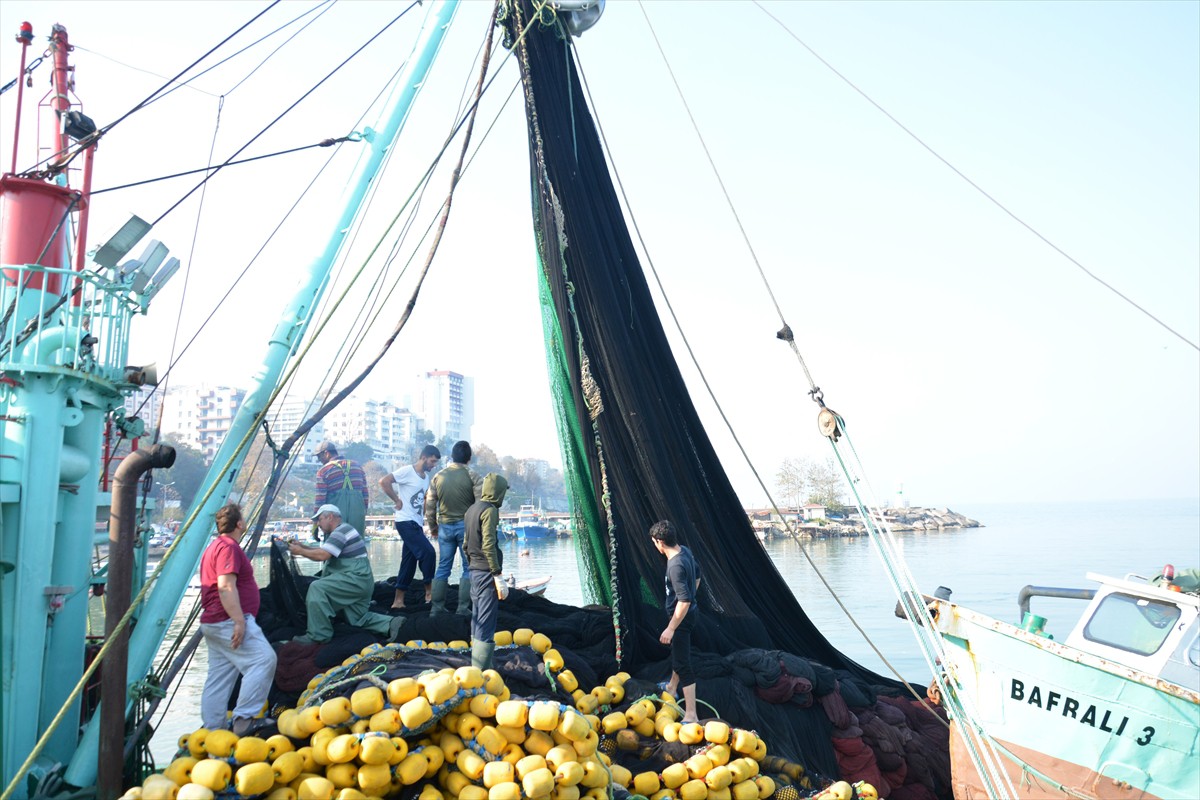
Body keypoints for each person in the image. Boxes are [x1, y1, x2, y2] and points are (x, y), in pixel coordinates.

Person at [199, 503, 277, 735]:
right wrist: (239, 621)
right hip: (227, 620)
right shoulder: (228, 547)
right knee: (264, 659)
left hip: (213, 622)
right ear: (239, 523)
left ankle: (213, 730)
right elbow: (225, 586)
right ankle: (245, 718)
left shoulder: (215, 546)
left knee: (220, 676)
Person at [287, 504, 403, 644]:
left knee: (317, 588)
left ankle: (318, 636)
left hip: (355, 579)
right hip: (360, 582)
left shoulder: (342, 531)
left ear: (330, 517)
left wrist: (300, 552)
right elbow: (324, 551)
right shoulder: (342, 531)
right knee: (357, 618)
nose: (318, 524)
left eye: (320, 519)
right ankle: (393, 624)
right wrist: (302, 547)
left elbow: (322, 555)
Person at [650, 519, 702, 724]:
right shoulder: (685, 552)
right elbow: (698, 575)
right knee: (678, 654)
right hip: (687, 615)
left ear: (660, 542)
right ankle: (672, 687)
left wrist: (671, 627)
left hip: (681, 620)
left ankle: (691, 715)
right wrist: (690, 598)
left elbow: (685, 600)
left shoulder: (675, 566)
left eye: (654, 542)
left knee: (683, 664)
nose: (655, 546)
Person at [379, 445, 441, 609]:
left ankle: (398, 601)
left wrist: (427, 520)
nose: (433, 465)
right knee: (428, 553)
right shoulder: (407, 471)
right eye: (432, 461)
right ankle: (429, 592)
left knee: (409, 562)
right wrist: (396, 500)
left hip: (416, 523)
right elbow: (384, 481)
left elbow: (424, 500)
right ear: (424, 457)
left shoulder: (425, 477)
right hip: (405, 521)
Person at [425, 440, 482, 617]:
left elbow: (430, 505)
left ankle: (436, 608)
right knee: (468, 567)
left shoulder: (438, 476)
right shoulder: (473, 476)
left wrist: (433, 526)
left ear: (452, 457)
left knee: (443, 567)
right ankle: (463, 608)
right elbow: (481, 505)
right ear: (469, 458)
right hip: (466, 527)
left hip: (444, 527)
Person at [463, 472, 510, 669]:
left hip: (474, 570)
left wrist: (472, 563)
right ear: (498, 492)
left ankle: (476, 662)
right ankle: (482, 669)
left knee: (477, 616)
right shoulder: (490, 511)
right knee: (486, 619)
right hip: (486, 572)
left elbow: (466, 544)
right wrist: (497, 574)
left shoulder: (471, 509)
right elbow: (489, 544)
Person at [313, 441, 369, 539]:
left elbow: (320, 500)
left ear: (326, 453)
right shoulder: (358, 467)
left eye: (319, 457)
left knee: (334, 547)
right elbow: (365, 495)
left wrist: (315, 523)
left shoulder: (323, 471)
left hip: (334, 517)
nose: (319, 460)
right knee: (356, 545)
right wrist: (362, 516)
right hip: (357, 514)